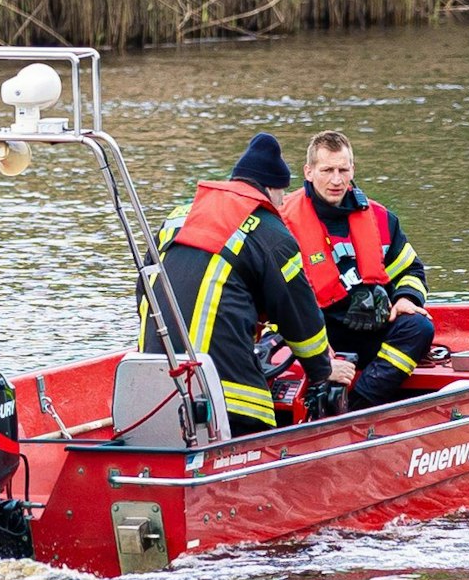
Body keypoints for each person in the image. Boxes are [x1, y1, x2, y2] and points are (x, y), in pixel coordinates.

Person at [140, 133, 356, 436]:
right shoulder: (271, 232)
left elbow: (144, 290)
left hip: (155, 391)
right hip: (232, 402)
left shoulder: (177, 218)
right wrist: (323, 368)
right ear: (271, 190)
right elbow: (298, 316)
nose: (281, 206)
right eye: (281, 197)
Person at [278, 130, 435, 409]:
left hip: (373, 327)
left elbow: (412, 269)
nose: (336, 180)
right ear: (309, 172)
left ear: (353, 169)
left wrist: (405, 299)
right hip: (317, 332)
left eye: (343, 169)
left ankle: (358, 406)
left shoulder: (381, 218)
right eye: (327, 170)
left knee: (419, 327)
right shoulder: (283, 224)